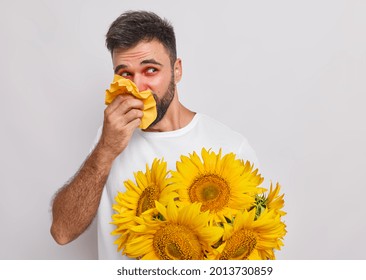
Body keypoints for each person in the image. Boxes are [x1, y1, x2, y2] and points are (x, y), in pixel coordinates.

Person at [50, 10, 260, 259]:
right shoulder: (108, 140)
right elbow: (62, 232)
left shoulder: (230, 147)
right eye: (125, 74)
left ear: (177, 70)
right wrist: (106, 149)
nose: (138, 87)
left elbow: (252, 253)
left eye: (150, 70)